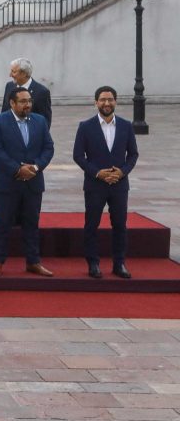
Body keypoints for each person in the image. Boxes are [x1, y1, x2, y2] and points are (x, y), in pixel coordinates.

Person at [0, 87, 55, 277]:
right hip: (7, 182)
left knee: (31, 223)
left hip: (33, 182)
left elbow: (48, 148)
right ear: (12, 103)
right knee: (3, 223)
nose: (28, 105)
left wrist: (34, 168)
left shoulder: (39, 121)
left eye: (29, 101)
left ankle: (33, 262)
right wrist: (18, 169)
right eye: (23, 101)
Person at [72, 86, 139, 279]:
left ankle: (119, 264)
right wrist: (97, 173)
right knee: (91, 225)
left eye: (110, 99)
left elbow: (133, 154)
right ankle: (93, 263)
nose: (106, 103)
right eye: (102, 100)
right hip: (95, 185)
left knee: (120, 225)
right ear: (96, 102)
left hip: (119, 185)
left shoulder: (126, 126)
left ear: (116, 102)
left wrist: (123, 172)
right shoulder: (85, 126)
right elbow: (78, 155)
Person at [1, 57, 52, 125]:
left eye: (14, 72)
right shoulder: (9, 86)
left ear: (24, 74)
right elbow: (4, 113)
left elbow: (45, 122)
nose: (10, 75)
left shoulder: (42, 92)